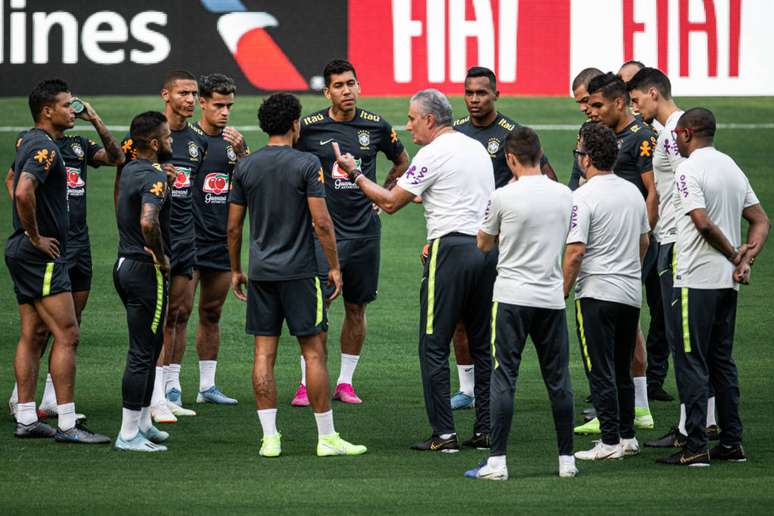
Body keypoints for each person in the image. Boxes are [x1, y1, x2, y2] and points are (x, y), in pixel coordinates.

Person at [332, 88, 495, 452]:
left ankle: (445, 434)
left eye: (411, 119)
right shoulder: (476, 148)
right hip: (485, 250)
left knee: (433, 346)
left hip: (449, 250)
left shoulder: (433, 152)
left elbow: (389, 203)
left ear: (430, 120)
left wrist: (354, 172)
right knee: (483, 345)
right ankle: (486, 430)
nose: (407, 127)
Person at [227, 92, 366, 458]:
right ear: (295, 125)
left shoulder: (245, 167)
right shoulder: (306, 164)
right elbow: (322, 221)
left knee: (263, 354)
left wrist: (236, 269)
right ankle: (326, 438)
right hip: (302, 273)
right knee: (314, 353)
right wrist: (334, 266)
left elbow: (233, 228)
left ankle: (270, 439)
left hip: (260, 273)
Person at [291, 59, 409, 406]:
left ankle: (344, 382)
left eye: (352, 83)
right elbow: (288, 162)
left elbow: (402, 161)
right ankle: (305, 383)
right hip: (323, 234)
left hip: (364, 234)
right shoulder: (309, 128)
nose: (347, 90)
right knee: (317, 309)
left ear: (359, 86)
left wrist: (382, 193)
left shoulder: (375, 126)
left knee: (356, 308)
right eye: (339, 85)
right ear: (327, 92)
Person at [657, 108, 769, 466]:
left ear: (687, 133)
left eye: (677, 135)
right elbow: (760, 220)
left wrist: (736, 255)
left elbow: (701, 223)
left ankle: (695, 447)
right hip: (727, 285)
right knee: (722, 360)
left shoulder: (688, 170)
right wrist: (745, 260)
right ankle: (732, 442)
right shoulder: (730, 166)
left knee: (691, 361)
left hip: (695, 279)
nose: (674, 140)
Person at [464, 126, 577, 480]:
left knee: (504, 377)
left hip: (512, 297)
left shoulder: (503, 197)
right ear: (541, 154)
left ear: (511, 159)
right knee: (558, 379)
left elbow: (483, 244)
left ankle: (497, 461)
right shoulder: (564, 195)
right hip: (550, 297)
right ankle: (566, 461)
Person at [6, 96, 124, 420]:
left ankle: (49, 399)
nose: (73, 109)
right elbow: (14, 182)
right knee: (44, 330)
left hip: (79, 244)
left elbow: (116, 157)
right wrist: (30, 228)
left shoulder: (77, 145)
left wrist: (97, 120)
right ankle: (23, 400)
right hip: (50, 245)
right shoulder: (35, 145)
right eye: (65, 104)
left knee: (71, 323)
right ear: (47, 110)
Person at [447, 66, 557, 411]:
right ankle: (467, 388)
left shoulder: (512, 134)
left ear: (496, 94)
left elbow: (548, 182)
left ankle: (496, 382)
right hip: (462, 238)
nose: (474, 99)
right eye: (469, 93)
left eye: (482, 92)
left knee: (494, 317)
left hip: (501, 243)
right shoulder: (454, 134)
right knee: (459, 318)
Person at [627, 68, 719, 447]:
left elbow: (686, 190)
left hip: (677, 244)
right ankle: (707, 420)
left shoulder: (675, 134)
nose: (635, 110)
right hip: (675, 242)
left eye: (636, 101)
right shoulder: (674, 131)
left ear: (653, 93)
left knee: (684, 339)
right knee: (695, 340)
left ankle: (688, 428)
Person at [119, 70, 215, 422]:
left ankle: (170, 390)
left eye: (194, 93)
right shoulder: (144, 139)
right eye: (184, 93)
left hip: (186, 237)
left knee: (180, 313)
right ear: (166, 95)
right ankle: (154, 398)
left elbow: (196, 193)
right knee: (157, 320)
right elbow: (125, 185)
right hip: (154, 240)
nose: (190, 99)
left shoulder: (197, 140)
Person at [563, 123, 650, 461]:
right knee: (622, 368)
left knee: (598, 369)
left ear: (585, 158)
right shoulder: (632, 192)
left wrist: (562, 291)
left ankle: (609, 441)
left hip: (596, 293)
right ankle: (627, 437)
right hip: (629, 293)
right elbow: (644, 241)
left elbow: (575, 252)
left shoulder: (582, 197)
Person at [577, 73, 658, 435]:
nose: (590, 111)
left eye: (596, 105)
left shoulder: (642, 139)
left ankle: (633, 411)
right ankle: (627, 412)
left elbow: (653, 193)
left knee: (624, 333)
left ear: (619, 102)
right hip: (622, 247)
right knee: (624, 330)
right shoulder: (603, 137)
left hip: (628, 249)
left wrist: (640, 240)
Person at [113, 111, 174, 452]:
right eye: (166, 138)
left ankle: (144, 423)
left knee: (150, 348)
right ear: (153, 143)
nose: (170, 142)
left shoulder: (132, 170)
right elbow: (149, 221)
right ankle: (127, 434)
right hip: (144, 269)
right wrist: (162, 257)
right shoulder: (153, 176)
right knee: (142, 351)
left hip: (125, 263)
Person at [190, 73, 247, 405]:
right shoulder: (185, 138)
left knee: (211, 312)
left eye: (229, 106)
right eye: (218, 105)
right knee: (176, 315)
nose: (225, 112)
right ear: (203, 103)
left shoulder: (233, 142)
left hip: (221, 242)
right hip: (188, 241)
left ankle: (207, 387)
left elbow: (250, 183)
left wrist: (241, 155)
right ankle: (166, 387)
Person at [568, 67, 602, 191]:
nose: (582, 108)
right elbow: (576, 176)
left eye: (585, 100)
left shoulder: (637, 132)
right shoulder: (586, 128)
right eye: (579, 103)